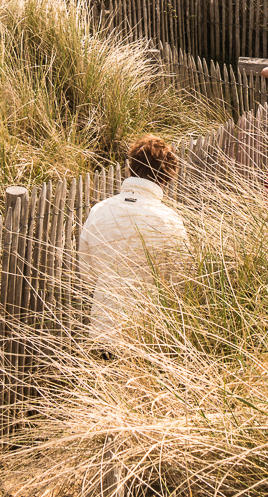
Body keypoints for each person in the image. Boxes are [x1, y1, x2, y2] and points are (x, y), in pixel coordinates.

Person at [77, 134, 188, 353]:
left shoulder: (99, 210)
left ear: (130, 169)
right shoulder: (170, 220)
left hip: (104, 329)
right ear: (166, 178)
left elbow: (86, 273)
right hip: (153, 334)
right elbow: (180, 281)